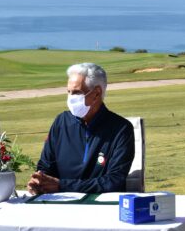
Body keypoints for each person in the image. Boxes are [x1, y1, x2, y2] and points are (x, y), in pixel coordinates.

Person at [28, 63, 135, 194]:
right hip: (60, 201)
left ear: (96, 93)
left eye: (77, 92)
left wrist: (62, 186)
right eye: (69, 92)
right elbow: (45, 166)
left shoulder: (121, 129)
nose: (70, 98)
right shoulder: (61, 122)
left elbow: (113, 181)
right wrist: (39, 181)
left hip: (101, 204)